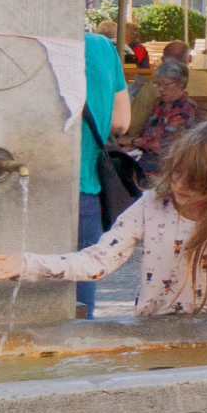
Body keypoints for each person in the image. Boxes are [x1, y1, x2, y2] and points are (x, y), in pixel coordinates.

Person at [0, 122, 207, 340]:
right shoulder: (150, 206)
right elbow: (98, 261)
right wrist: (29, 264)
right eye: (177, 172)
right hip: (155, 335)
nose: (179, 185)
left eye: (194, 181)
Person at [78, 31, 130, 317]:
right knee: (81, 295)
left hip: (20, 185)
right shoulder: (100, 46)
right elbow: (121, 123)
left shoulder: (18, 38)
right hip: (85, 189)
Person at [121, 60, 198, 175]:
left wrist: (132, 142)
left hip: (167, 164)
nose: (161, 89)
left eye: (165, 84)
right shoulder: (160, 103)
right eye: (158, 84)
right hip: (147, 155)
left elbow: (164, 146)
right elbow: (148, 133)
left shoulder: (185, 108)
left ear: (181, 84)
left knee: (120, 167)